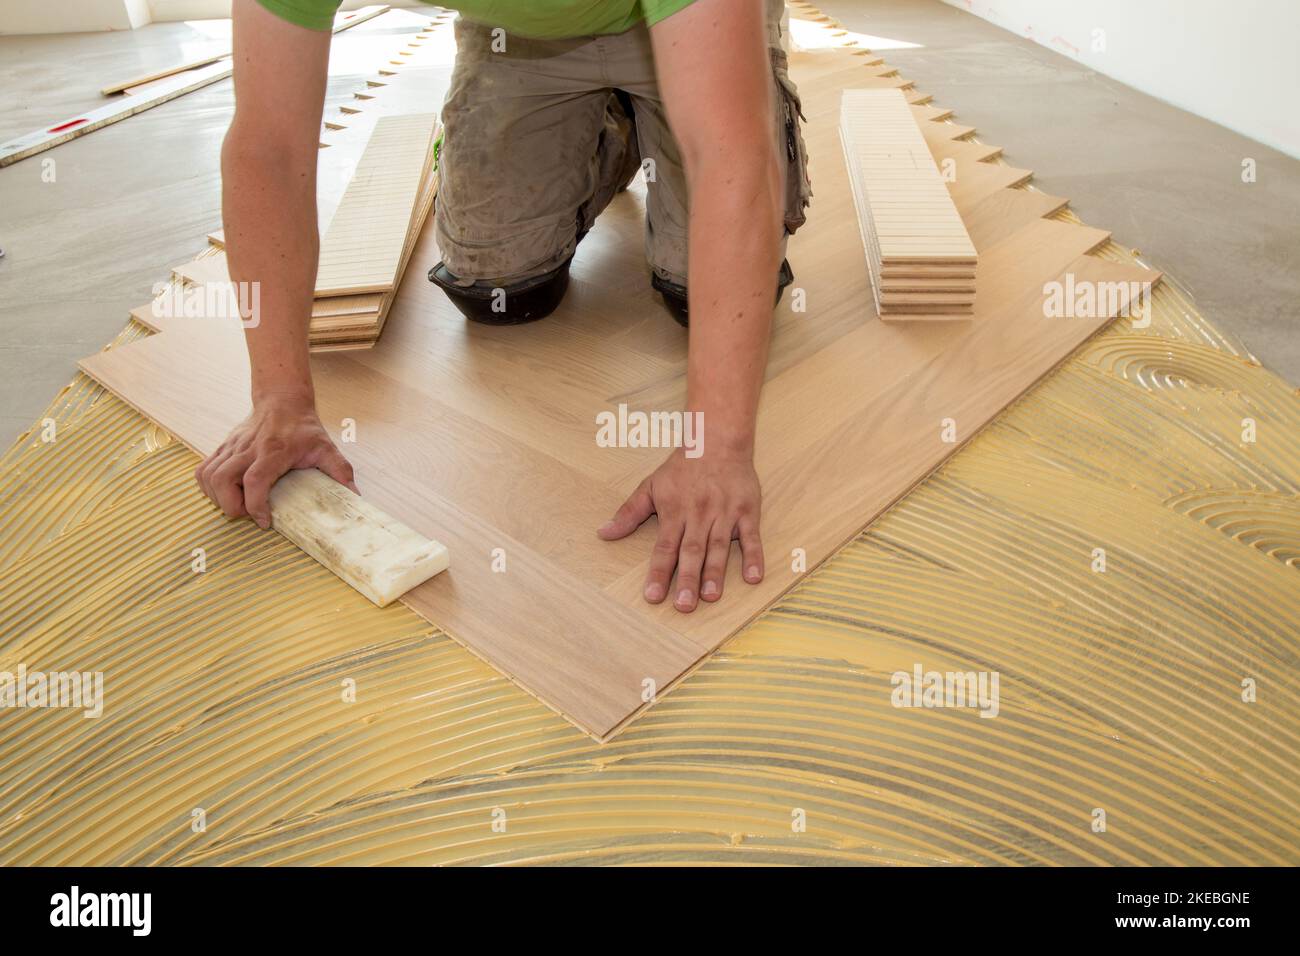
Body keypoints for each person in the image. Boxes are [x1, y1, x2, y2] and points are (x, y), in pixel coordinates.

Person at [196, 0, 811, 614]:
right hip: (514, 35)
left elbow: (731, 152)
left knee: (693, 291)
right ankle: (619, 133)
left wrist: (716, 448)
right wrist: (279, 396)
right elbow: (267, 149)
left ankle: (658, 108)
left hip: (695, 27)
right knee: (499, 291)